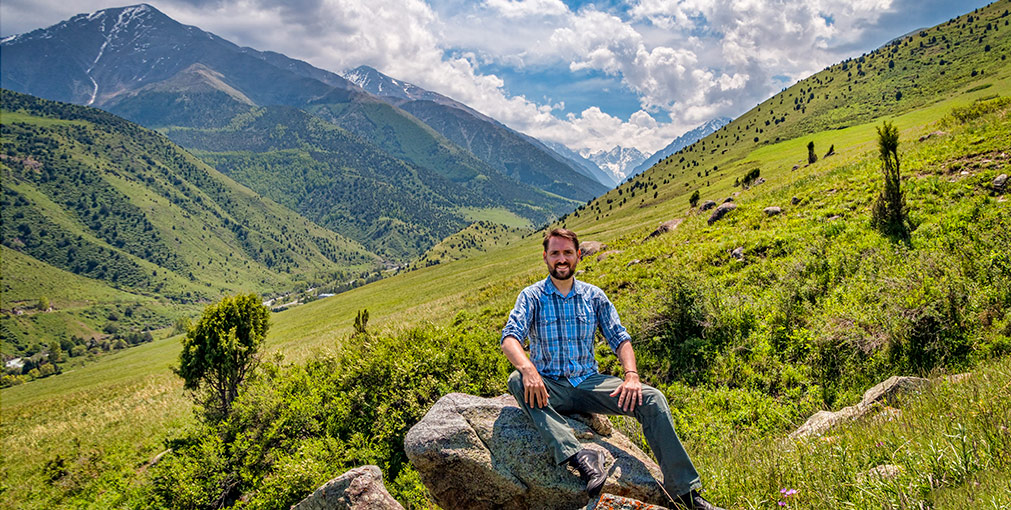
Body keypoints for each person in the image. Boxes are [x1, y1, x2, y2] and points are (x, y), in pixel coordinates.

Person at [500, 228, 724, 510]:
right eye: (555, 253)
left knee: (652, 399)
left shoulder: (593, 296)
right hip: (550, 386)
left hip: (589, 383)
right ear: (545, 257)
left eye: (567, 253)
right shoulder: (531, 296)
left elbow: (620, 339)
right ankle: (581, 457)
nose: (561, 259)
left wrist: (631, 376)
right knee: (517, 380)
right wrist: (528, 369)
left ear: (578, 256)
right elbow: (510, 338)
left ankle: (686, 494)